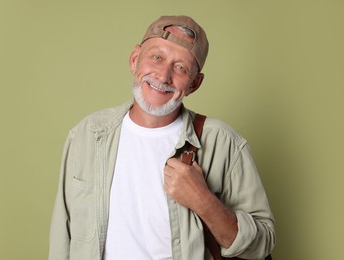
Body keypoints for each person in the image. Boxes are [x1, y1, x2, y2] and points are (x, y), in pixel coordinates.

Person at [48, 15, 275, 260]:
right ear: (135, 59)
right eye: (157, 57)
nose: (163, 76)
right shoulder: (87, 135)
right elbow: (63, 235)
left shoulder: (224, 143)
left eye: (181, 68)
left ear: (194, 84)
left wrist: (203, 201)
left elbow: (263, 243)